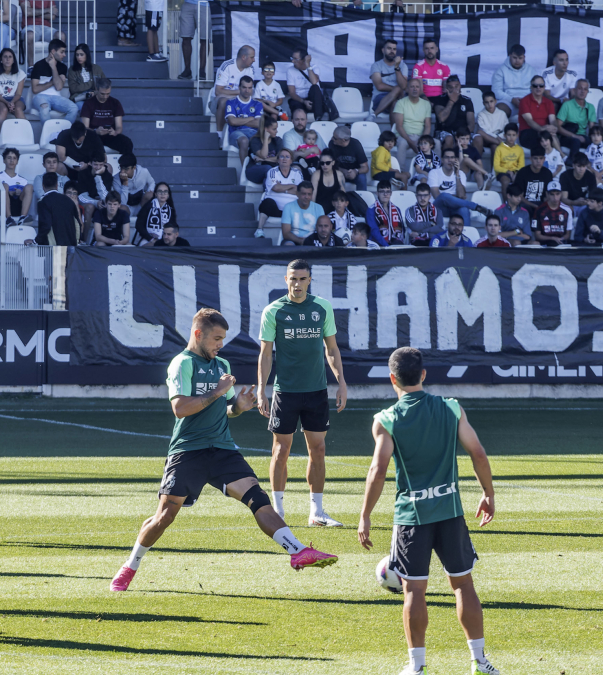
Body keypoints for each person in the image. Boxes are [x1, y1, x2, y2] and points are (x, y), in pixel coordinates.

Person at [110, 308, 338, 592]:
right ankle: (129, 567)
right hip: (188, 451)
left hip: (222, 450)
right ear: (198, 334)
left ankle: (298, 551)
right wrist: (217, 393)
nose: (220, 344)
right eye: (216, 338)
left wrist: (238, 407)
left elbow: (226, 409)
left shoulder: (222, 365)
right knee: (164, 516)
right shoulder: (182, 364)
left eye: (223, 339)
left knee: (258, 499)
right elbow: (180, 409)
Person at [359, 346, 500, 675]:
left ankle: (417, 666)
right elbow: (478, 453)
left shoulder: (387, 419)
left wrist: (365, 514)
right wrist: (487, 494)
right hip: (450, 512)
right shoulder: (452, 409)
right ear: (423, 375)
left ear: (392, 378)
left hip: (412, 518)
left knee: (413, 590)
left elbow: (377, 470)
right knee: (464, 585)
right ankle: (479, 661)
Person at [257, 260, 348, 526]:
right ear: (285, 279)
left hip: (317, 391)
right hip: (286, 392)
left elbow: (331, 349)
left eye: (302, 279)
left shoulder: (322, 307)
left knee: (318, 449)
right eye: (293, 279)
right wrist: (261, 390)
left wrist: (341, 382)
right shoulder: (273, 311)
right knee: (280, 451)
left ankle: (316, 513)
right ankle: (278, 511)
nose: (297, 284)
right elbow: (265, 354)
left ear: (310, 280)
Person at [430, 146, 490, 227]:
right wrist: (453, 197)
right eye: (447, 157)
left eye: (452, 157)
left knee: (464, 209)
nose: (450, 160)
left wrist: (457, 174)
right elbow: (437, 196)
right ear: (442, 159)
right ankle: (476, 207)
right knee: (443, 195)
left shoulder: (461, 174)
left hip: (455, 207)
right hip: (439, 208)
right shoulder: (434, 173)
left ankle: (467, 234)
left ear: (456, 160)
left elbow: (461, 195)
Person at [258, 148, 306, 232]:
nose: (284, 159)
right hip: (274, 208)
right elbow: (275, 188)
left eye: (287, 157)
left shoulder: (297, 173)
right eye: (282, 156)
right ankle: (259, 230)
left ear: (291, 161)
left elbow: (300, 191)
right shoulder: (272, 172)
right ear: (278, 160)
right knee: (266, 203)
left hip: (292, 209)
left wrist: (282, 188)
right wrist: (292, 186)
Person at [30, 40, 77, 123]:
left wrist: (53, 67)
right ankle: (49, 133)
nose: (64, 55)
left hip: (56, 97)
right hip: (40, 97)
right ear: (53, 51)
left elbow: (59, 87)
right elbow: (35, 89)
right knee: (45, 108)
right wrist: (52, 82)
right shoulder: (38, 65)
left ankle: (62, 132)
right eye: (62, 52)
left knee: (74, 108)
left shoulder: (62, 67)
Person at [212, 45, 255, 131]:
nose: (254, 60)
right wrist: (240, 92)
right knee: (224, 101)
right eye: (252, 57)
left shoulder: (251, 69)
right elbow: (218, 91)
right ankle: (219, 134)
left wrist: (241, 93)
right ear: (243, 57)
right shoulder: (227, 66)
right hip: (218, 101)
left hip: (240, 99)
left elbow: (250, 91)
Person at [392, 78, 431, 169]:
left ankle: (433, 172)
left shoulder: (426, 104)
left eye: (417, 87)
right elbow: (399, 126)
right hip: (404, 136)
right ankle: (401, 172)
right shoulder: (401, 103)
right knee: (402, 144)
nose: (415, 89)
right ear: (407, 89)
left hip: (420, 136)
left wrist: (422, 141)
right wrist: (411, 143)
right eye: (412, 87)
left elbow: (428, 126)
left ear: (420, 90)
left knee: (437, 143)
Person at [36, 172, 83, 245]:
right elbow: (77, 224)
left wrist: (36, 240)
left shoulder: (43, 202)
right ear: (57, 185)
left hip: (53, 246)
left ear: (43, 186)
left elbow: (46, 225)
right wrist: (76, 242)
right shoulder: (69, 201)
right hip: (70, 245)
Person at [226, 76, 264, 164]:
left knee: (265, 139)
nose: (247, 90)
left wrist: (240, 120)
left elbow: (258, 123)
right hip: (236, 133)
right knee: (244, 141)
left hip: (254, 132)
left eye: (249, 88)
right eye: (244, 87)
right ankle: (245, 170)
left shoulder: (257, 104)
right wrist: (251, 118)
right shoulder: (231, 102)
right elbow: (232, 121)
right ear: (239, 87)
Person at [433, 77, 476, 149]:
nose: (454, 90)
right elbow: (441, 118)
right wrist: (452, 101)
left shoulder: (467, 100)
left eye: (456, 87)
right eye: (450, 87)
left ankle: (476, 160)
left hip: (463, 132)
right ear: (446, 88)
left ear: (460, 86)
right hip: (444, 131)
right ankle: (447, 159)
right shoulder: (439, 99)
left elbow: (471, 125)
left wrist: (461, 136)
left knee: (478, 139)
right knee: (449, 138)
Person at [491, 43, 534, 116]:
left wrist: (526, 100)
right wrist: (512, 99)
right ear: (509, 56)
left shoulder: (531, 70)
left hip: (528, 101)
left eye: (520, 58)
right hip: (508, 102)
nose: (517, 61)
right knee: (500, 108)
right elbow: (496, 91)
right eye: (514, 57)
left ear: (524, 57)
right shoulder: (500, 70)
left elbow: (535, 89)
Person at [517, 76, 558, 151]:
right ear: (531, 87)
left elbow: (552, 120)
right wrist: (542, 129)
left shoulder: (548, 102)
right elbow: (529, 121)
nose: (538, 88)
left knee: (551, 134)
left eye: (541, 85)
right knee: (545, 137)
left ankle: (561, 156)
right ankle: (561, 156)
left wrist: (554, 128)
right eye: (535, 86)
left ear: (544, 87)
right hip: (528, 132)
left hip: (544, 131)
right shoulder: (524, 101)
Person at [557, 79, 595, 156]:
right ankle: (572, 163)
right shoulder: (567, 105)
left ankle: (591, 166)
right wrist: (575, 136)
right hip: (567, 136)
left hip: (582, 136)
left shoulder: (590, 107)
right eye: (580, 88)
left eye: (585, 89)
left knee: (594, 143)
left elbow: (592, 128)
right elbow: (557, 126)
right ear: (574, 90)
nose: (582, 91)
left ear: (587, 92)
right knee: (576, 141)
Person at [370, 39, 408, 116]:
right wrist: (397, 89)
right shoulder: (376, 65)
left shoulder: (402, 66)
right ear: (383, 50)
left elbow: (403, 86)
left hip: (398, 98)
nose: (392, 51)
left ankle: (374, 115)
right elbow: (379, 86)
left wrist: (397, 67)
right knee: (397, 92)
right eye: (389, 48)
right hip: (380, 97)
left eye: (394, 49)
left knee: (395, 103)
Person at [287, 49, 327, 121]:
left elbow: (314, 82)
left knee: (315, 87)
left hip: (313, 100)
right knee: (293, 103)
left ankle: (318, 120)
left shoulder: (314, 67)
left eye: (295, 59)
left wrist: (308, 65)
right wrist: (303, 102)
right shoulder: (290, 70)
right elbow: (292, 93)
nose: (293, 61)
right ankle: (297, 125)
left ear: (303, 60)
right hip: (299, 100)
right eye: (292, 58)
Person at [0, 48, 26, 125]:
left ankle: (27, 134)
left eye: (10, 57)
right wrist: (7, 103)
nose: (8, 59)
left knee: (18, 109)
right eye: (5, 57)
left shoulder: (20, 73)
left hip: (15, 99)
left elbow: (18, 94)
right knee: (3, 109)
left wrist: (12, 102)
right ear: (1, 60)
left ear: (13, 60)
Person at [0, 148, 33, 226]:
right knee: (4, 186)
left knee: (29, 187)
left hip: (18, 206)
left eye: (14, 158)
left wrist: (20, 193)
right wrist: (7, 192)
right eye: (9, 158)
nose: (11, 160)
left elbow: (26, 195)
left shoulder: (23, 180)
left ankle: (23, 218)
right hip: (1, 207)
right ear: (4, 160)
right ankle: (8, 218)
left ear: (17, 161)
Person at [67, 44, 107, 110]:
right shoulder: (72, 70)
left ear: (87, 55)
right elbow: (73, 89)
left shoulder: (96, 68)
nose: (79, 57)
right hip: (79, 97)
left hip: (95, 96)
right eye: (77, 55)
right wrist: (90, 83)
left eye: (81, 54)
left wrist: (94, 93)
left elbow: (104, 85)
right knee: (84, 108)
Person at [532, 181, 571, 246]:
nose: (555, 198)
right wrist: (552, 238)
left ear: (561, 194)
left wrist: (560, 239)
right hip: (544, 244)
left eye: (557, 194)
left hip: (561, 243)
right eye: (552, 194)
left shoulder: (567, 210)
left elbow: (568, 234)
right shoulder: (539, 210)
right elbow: (537, 235)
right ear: (547, 194)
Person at [330, 126, 369, 191]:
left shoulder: (356, 145)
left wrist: (355, 171)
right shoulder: (332, 144)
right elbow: (330, 164)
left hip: (355, 173)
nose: (332, 139)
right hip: (339, 171)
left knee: (362, 178)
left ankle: (362, 199)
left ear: (343, 140)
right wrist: (343, 171)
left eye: (335, 138)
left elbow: (365, 167)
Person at [246, 116, 282, 185]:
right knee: (268, 169)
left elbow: (279, 158)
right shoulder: (255, 140)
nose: (276, 131)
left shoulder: (278, 140)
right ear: (266, 129)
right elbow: (263, 155)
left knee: (268, 176)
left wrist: (263, 160)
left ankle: (268, 195)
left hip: (271, 171)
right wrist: (266, 138)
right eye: (274, 129)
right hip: (254, 170)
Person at [177, 0, 208, 79]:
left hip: (205, 4)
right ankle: (187, 70)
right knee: (185, 37)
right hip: (188, 3)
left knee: (204, 39)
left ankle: (202, 71)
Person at [560, 153, 598, 217]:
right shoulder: (565, 176)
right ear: (573, 165)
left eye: (583, 166)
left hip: (584, 204)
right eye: (579, 166)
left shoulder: (590, 176)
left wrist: (586, 201)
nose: (581, 169)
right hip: (569, 204)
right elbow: (563, 198)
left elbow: (593, 196)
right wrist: (574, 202)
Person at [493, 124, 524, 196]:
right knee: (505, 182)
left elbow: (521, 166)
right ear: (504, 135)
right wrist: (508, 171)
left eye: (513, 135)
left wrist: (515, 173)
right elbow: (496, 167)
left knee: (522, 180)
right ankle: (506, 204)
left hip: (515, 172)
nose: (511, 138)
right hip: (503, 172)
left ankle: (518, 204)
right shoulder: (499, 148)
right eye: (509, 135)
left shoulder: (519, 149)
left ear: (517, 135)